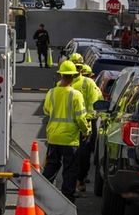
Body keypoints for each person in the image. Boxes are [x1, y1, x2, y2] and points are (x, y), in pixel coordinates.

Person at [43, 60, 90, 202]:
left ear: (60, 75)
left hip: (53, 137)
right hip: (70, 140)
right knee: (70, 169)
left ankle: (44, 194)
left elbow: (46, 111)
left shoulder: (51, 93)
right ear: (74, 76)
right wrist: (86, 131)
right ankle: (67, 197)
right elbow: (81, 118)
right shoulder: (76, 95)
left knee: (51, 166)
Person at [76, 64, 103, 193]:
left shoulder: (70, 84)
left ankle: (75, 180)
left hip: (73, 124)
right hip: (88, 122)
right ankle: (81, 180)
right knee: (85, 153)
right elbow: (100, 103)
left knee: (73, 153)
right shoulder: (94, 87)